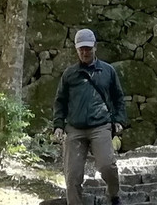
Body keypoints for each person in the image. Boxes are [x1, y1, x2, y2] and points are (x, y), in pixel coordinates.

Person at [52, 28, 127, 205]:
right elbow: (60, 101)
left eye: (88, 48)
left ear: (95, 47)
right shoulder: (69, 74)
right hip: (75, 128)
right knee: (72, 175)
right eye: (81, 49)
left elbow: (118, 98)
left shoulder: (108, 71)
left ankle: (113, 194)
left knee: (107, 166)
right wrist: (58, 125)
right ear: (77, 50)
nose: (85, 52)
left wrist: (119, 120)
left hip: (100, 126)